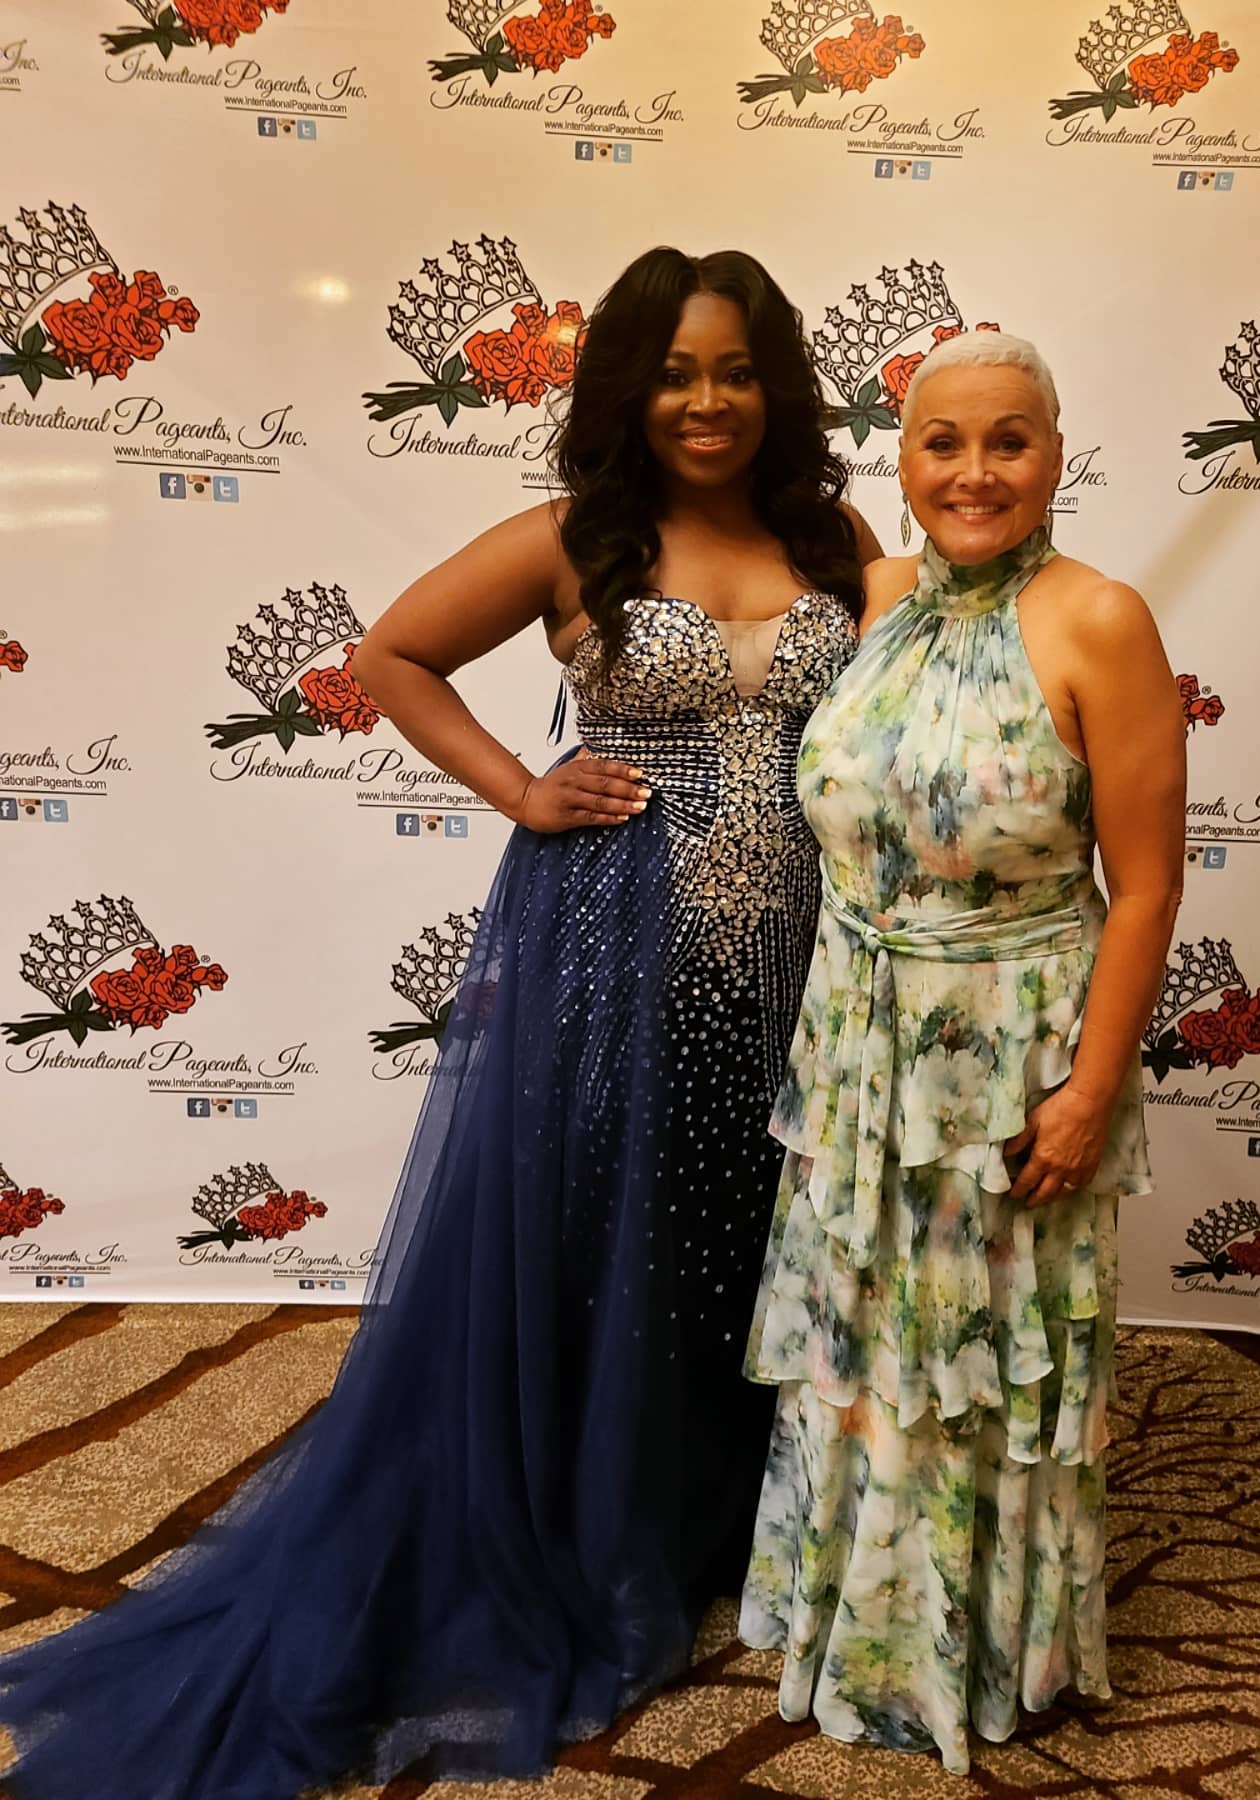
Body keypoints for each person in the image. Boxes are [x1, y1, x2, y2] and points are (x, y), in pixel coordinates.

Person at [0, 247, 880, 1799]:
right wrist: (521, 790)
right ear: (629, 387)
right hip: (615, 940)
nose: (707, 400)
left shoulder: (836, 537)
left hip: (805, 951)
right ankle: (592, 1534)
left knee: (751, 1226)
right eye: (676, 372)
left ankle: (723, 1524)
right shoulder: (576, 537)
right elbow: (389, 656)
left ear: (778, 385)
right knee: (610, 1230)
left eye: (737, 370)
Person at [739, 331, 1185, 1772]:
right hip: (856, 1048)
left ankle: (984, 1651)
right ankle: (854, 1630)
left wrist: (1089, 1094)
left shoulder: (1101, 619)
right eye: (944, 442)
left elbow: (1148, 888)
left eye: (1009, 440)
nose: (975, 471)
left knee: (983, 1360)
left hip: (1009, 1065)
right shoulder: (874, 598)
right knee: (868, 1340)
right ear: (904, 461)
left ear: (1055, 455)